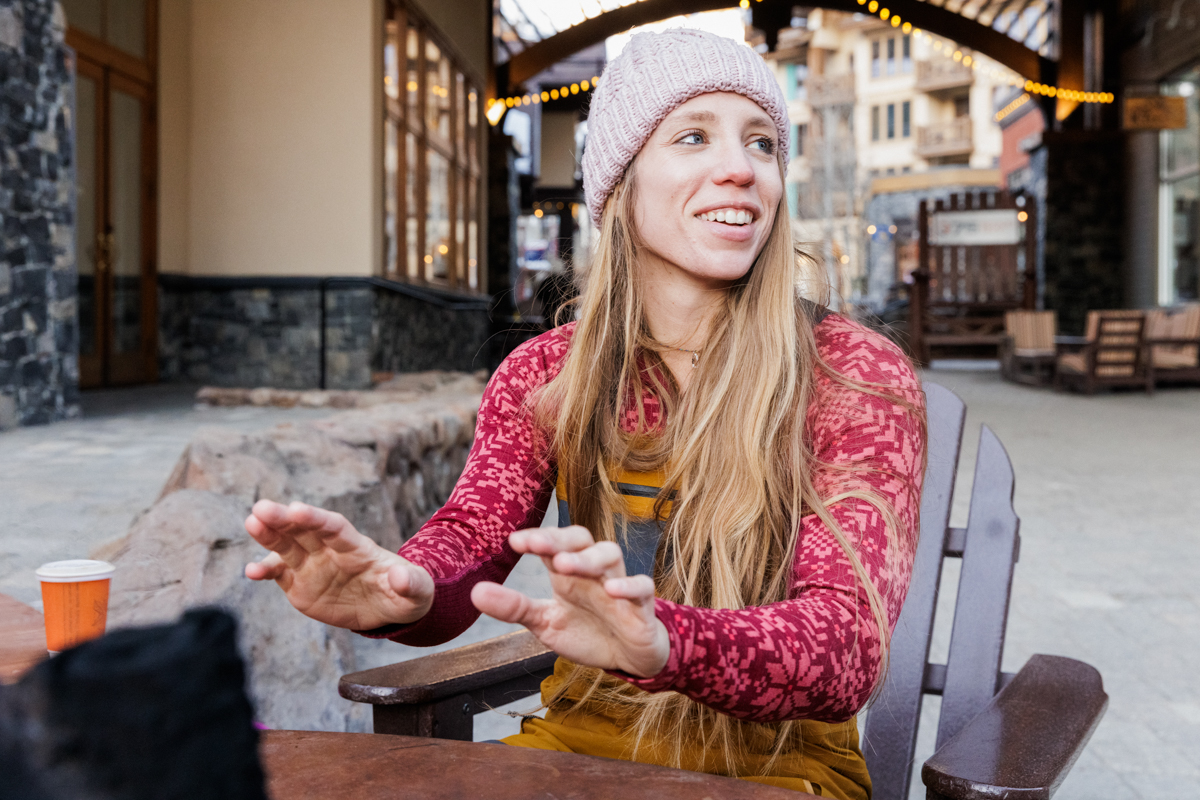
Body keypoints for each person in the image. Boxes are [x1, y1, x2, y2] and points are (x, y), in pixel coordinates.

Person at [243, 29, 925, 799]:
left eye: (762, 143)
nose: (741, 168)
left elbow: (847, 646)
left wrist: (666, 643)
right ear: (620, 183)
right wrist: (408, 591)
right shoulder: (546, 374)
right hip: (573, 754)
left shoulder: (851, 374)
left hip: (780, 774)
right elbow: (472, 538)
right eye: (694, 136)